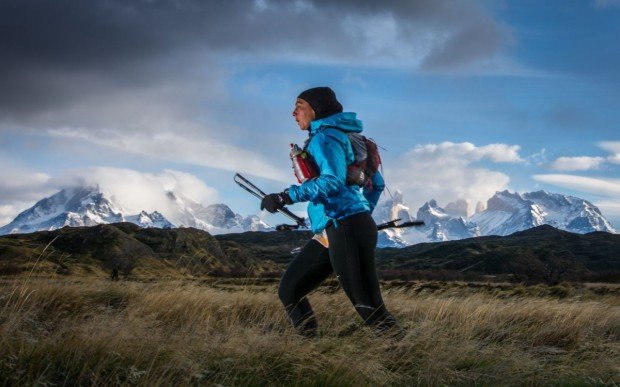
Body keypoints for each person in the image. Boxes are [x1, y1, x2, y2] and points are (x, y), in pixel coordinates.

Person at [260, 87, 402, 338]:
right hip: (337, 228)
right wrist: (360, 212)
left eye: (299, 106)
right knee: (290, 289)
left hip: (345, 227)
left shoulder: (324, 138)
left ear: (316, 109)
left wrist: (285, 196)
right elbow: (376, 184)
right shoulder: (349, 138)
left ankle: (408, 360)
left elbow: (332, 181)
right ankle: (308, 355)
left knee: (368, 305)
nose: (294, 113)